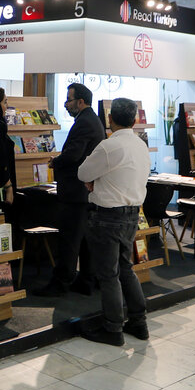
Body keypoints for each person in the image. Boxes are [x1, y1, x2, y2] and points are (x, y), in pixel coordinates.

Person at [75, 97, 150, 345]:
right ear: (135, 120)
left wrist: (95, 181)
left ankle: (113, 329)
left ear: (109, 118)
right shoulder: (140, 145)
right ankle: (139, 322)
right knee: (126, 268)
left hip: (107, 216)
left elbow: (83, 173)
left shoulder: (109, 146)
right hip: (132, 214)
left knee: (108, 274)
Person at [33, 83, 105, 297]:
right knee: (84, 241)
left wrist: (55, 162)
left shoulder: (84, 122)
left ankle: (61, 282)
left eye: (69, 100)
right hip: (85, 192)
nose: (66, 104)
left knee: (69, 241)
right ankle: (86, 280)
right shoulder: (92, 120)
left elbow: (74, 154)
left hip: (76, 192)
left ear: (80, 102)